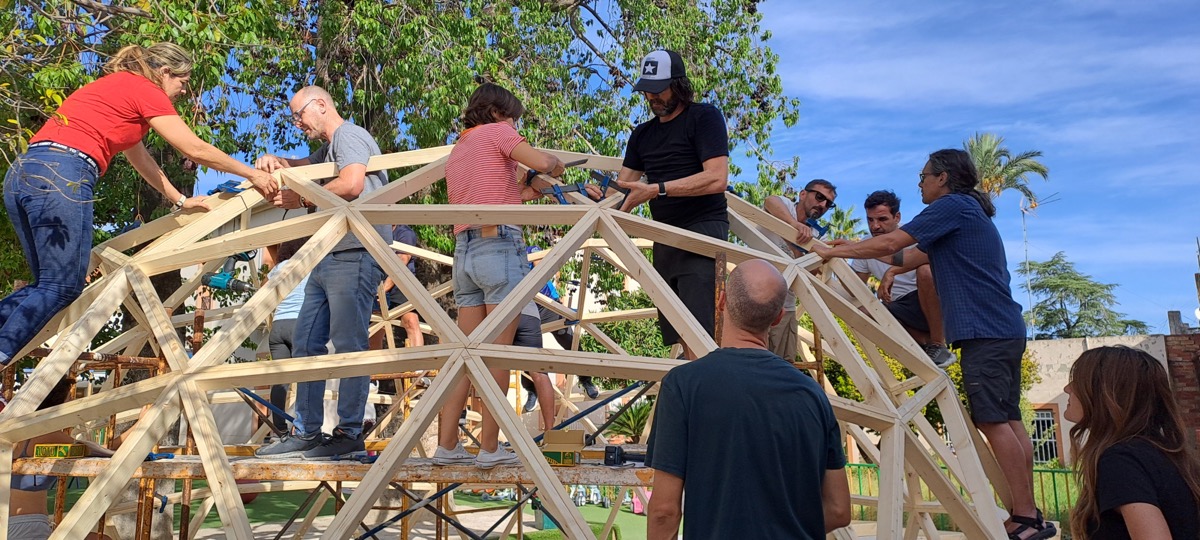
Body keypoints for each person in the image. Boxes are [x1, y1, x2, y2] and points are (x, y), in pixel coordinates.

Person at [811, 149, 1050, 539]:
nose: (920, 184)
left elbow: (892, 242)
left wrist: (832, 250)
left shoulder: (952, 205)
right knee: (1009, 420)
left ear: (943, 178)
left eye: (923, 177)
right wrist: (852, 247)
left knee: (992, 421)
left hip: (984, 332)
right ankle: (1031, 514)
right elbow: (903, 255)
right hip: (1003, 328)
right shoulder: (966, 213)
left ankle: (1024, 517)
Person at [0, 42, 278, 366]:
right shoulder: (145, 88)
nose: (183, 91)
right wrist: (252, 174)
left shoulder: (115, 89)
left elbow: (139, 157)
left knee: (46, 287)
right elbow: (194, 148)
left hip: (24, 172)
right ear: (165, 72)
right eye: (183, 82)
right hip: (63, 172)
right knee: (62, 287)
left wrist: (180, 199)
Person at [433, 82, 599, 469]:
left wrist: (529, 187)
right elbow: (542, 161)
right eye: (513, 118)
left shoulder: (460, 149)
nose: (514, 125)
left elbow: (508, 194)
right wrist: (554, 165)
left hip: (464, 252)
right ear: (496, 112)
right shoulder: (498, 132)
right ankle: (490, 449)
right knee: (498, 355)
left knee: (466, 356)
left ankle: (447, 445)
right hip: (499, 248)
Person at [645, 260, 850, 539]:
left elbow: (664, 511)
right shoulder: (813, 395)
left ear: (722, 301)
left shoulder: (683, 385)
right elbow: (839, 509)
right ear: (778, 318)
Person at [253, 85, 389, 460]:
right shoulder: (328, 149)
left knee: (349, 345)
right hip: (328, 252)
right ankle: (307, 432)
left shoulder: (349, 135)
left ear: (321, 106)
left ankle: (348, 433)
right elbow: (302, 165)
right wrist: (277, 160)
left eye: (300, 115)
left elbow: (353, 182)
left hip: (356, 251)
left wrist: (301, 198)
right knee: (306, 341)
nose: (298, 124)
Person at [615, 49, 729, 360]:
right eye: (647, 90)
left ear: (679, 85)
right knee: (678, 328)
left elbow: (717, 178)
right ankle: (694, 374)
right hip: (664, 236)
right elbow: (623, 188)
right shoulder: (642, 134)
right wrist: (596, 195)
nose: (652, 96)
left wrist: (657, 190)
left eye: (659, 88)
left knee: (702, 328)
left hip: (702, 231)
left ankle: (708, 377)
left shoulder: (704, 117)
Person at [1065, 346, 1200, 540]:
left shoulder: (1120, 460)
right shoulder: (1165, 453)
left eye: (1079, 381)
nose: (1067, 388)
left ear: (1107, 394)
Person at [848, 190, 954, 367]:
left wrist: (892, 271)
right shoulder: (866, 244)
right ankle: (925, 343)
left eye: (882, 219)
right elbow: (853, 287)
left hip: (928, 303)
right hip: (899, 309)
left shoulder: (914, 236)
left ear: (897, 217)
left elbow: (935, 259)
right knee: (862, 313)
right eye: (870, 220)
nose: (875, 226)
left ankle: (938, 344)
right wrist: (831, 263)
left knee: (925, 271)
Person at [9, 377, 114, 539]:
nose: (72, 405)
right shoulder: (44, 433)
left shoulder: (18, 432)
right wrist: (141, 425)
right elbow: (103, 451)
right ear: (56, 405)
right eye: (69, 400)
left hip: (17, 522)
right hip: (28, 526)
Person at [758, 179, 837, 361]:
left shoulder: (817, 235)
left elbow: (812, 273)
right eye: (819, 197)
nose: (822, 205)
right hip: (754, 298)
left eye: (828, 204)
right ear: (803, 194)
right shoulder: (786, 206)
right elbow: (770, 201)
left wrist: (807, 252)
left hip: (785, 307)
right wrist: (794, 225)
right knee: (746, 361)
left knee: (781, 366)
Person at [263, 237, 311, 432]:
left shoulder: (278, 269)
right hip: (300, 324)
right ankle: (304, 428)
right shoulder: (310, 266)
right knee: (308, 377)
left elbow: (264, 292)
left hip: (278, 326)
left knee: (280, 380)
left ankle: (279, 428)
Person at [370, 224, 424, 349]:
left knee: (410, 321)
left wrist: (384, 289)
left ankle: (418, 358)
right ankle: (374, 360)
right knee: (376, 326)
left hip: (401, 285)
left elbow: (402, 260)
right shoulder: (375, 232)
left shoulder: (404, 232)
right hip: (378, 283)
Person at [513, 301, 557, 432]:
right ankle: (550, 431)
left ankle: (491, 438)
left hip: (502, 311)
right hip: (530, 313)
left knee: (498, 366)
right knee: (539, 372)